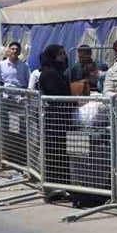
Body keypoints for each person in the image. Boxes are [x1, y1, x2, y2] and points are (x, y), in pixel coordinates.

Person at [36, 45, 75, 189]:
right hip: (54, 120)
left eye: (63, 53)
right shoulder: (50, 73)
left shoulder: (58, 72)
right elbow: (56, 96)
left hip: (60, 119)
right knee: (54, 152)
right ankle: (54, 186)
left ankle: (62, 185)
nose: (63, 56)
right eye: (60, 54)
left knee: (61, 152)